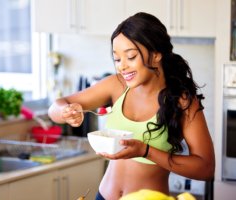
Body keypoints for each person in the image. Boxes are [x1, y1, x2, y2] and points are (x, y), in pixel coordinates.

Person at [48, 12, 215, 200]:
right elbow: (55, 108)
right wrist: (65, 112)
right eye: (117, 59)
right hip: (104, 196)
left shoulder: (181, 101)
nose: (122, 67)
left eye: (131, 56)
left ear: (156, 55)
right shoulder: (116, 85)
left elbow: (206, 168)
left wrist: (146, 151)